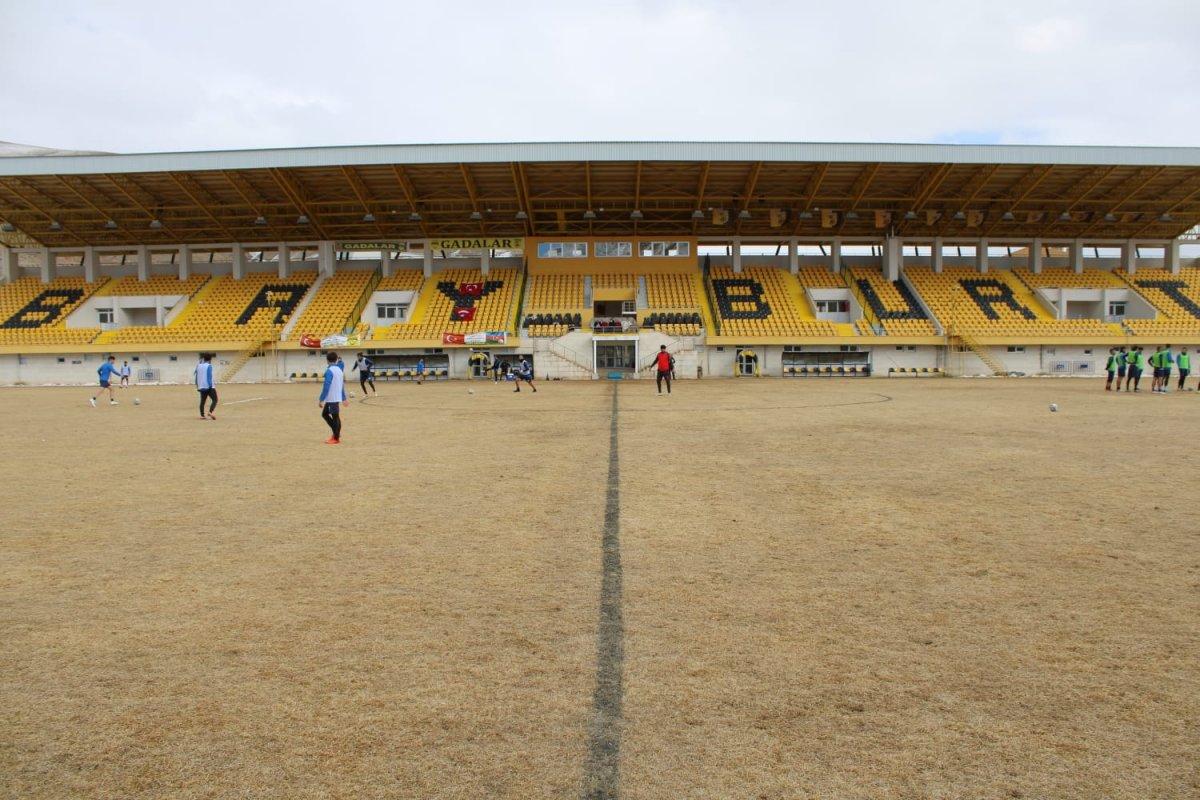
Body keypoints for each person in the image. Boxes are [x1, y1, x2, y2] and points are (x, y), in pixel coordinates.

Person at [318, 351, 347, 444]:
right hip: (335, 397)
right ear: (336, 359)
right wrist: (343, 397)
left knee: (334, 416)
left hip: (332, 397)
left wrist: (321, 399)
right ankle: (336, 432)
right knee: (326, 414)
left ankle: (336, 437)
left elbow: (326, 385)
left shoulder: (329, 370)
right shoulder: (339, 370)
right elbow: (342, 385)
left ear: (327, 360)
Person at [194, 352, 218, 420]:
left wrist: (197, 385)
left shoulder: (198, 366)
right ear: (210, 359)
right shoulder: (209, 366)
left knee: (202, 401)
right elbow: (209, 376)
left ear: (203, 358)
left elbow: (196, 376)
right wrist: (210, 385)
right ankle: (210, 412)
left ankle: (202, 415)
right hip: (209, 386)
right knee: (215, 400)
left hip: (201, 386)